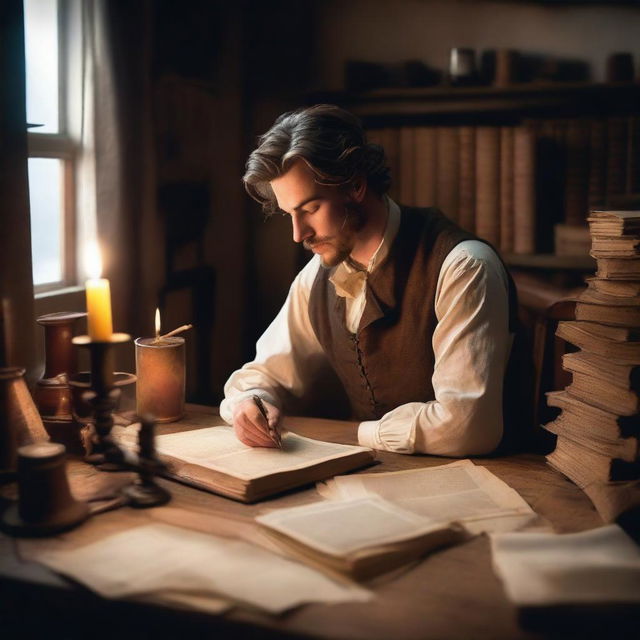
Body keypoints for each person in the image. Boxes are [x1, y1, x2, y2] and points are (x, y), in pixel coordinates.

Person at [220, 104, 521, 456]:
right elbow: (262, 375)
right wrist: (250, 404)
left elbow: (468, 427)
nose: (298, 234)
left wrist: (357, 435)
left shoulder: (464, 266)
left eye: (311, 208)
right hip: (376, 478)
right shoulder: (315, 278)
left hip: (495, 482)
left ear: (356, 185)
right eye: (290, 214)